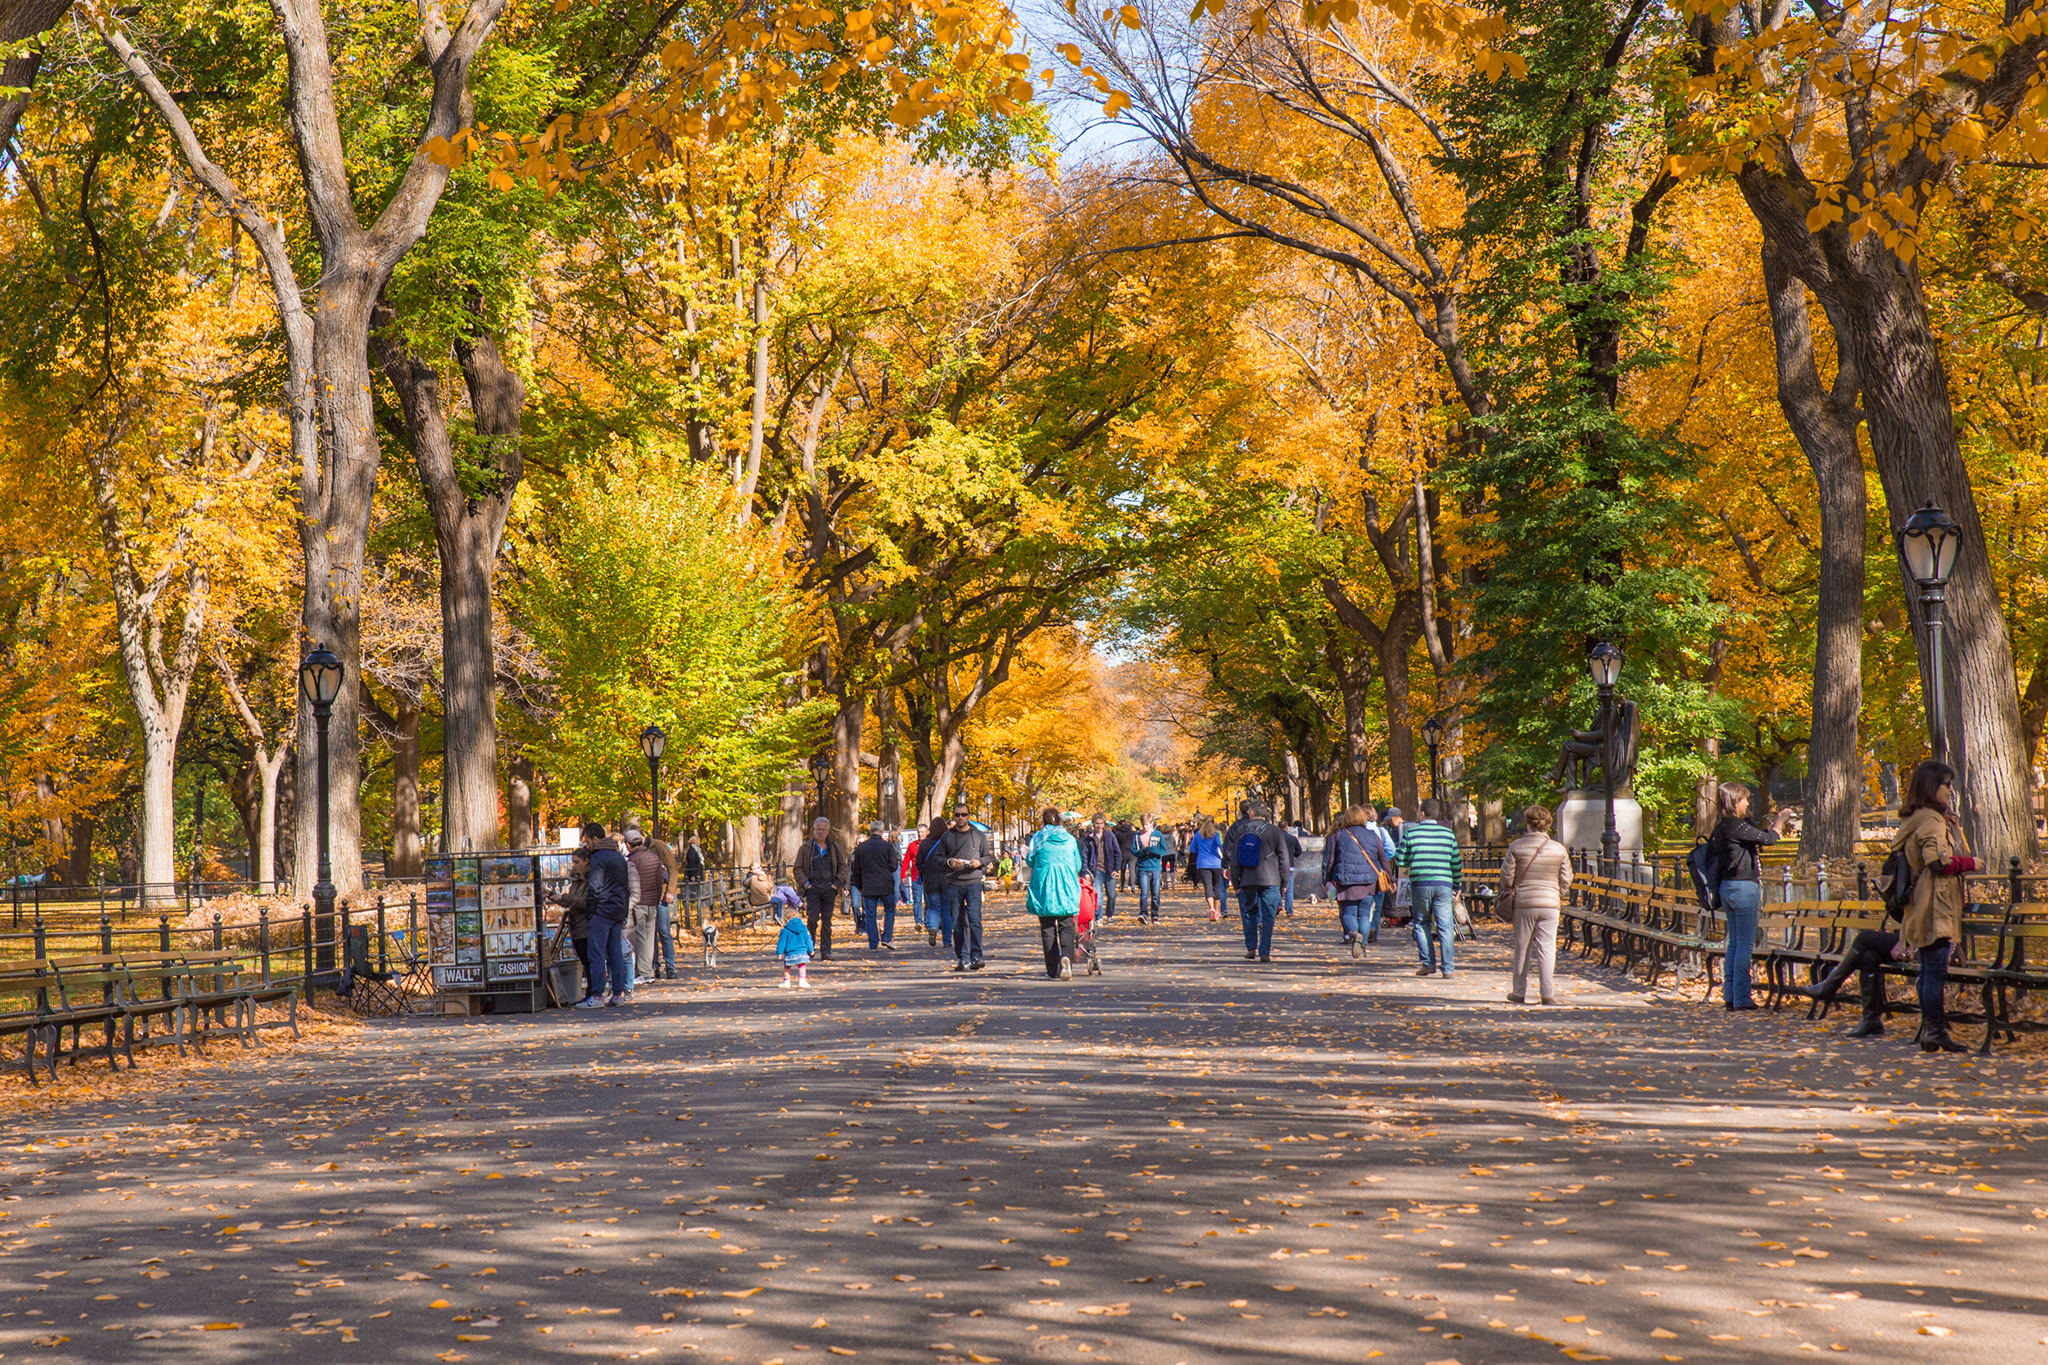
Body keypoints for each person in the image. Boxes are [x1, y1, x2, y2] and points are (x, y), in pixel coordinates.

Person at [1799, 761, 1974, 1051]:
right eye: (1947, 784)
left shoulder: (1914, 819)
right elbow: (1938, 862)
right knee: (1933, 972)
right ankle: (1933, 1031)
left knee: (1875, 954)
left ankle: (1855, 1006)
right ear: (1933, 787)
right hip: (1935, 907)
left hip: (1919, 908)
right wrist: (1971, 863)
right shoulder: (1931, 821)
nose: (1950, 790)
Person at [1709, 782, 1795, 1011]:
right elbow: (1769, 839)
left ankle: (1731, 996)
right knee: (1744, 944)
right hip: (1743, 888)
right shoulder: (1735, 826)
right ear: (1734, 802)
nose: (1748, 803)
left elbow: (1756, 836)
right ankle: (1742, 999)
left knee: (1735, 944)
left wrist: (1769, 823)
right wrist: (1780, 821)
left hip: (1727, 888)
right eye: (1744, 799)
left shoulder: (1722, 827)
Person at [1499, 804, 1572, 1005]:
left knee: (1522, 948)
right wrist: (1556, 894)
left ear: (1527, 823)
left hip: (1524, 903)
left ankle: (1519, 992)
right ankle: (1547, 994)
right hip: (1550, 904)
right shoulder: (1559, 849)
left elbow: (1506, 877)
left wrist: (1510, 889)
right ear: (1548, 824)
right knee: (1547, 948)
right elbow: (1566, 879)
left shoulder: (1516, 846)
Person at [1397, 799, 1463, 979]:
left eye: (1419, 811)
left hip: (1421, 883)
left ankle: (1428, 964)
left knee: (1421, 922)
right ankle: (1448, 968)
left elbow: (1400, 861)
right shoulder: (1448, 834)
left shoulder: (1411, 833)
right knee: (1445, 926)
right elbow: (1456, 863)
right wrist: (1457, 885)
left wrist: (1414, 861)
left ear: (1423, 814)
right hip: (1444, 884)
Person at [1224, 799, 1292, 962]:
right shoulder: (1275, 831)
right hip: (1270, 879)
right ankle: (1265, 951)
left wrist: (1236, 883)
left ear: (1251, 813)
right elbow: (1284, 858)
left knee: (1248, 912)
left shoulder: (1242, 830)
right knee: (1268, 915)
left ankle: (1251, 947)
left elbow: (1235, 858)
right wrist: (1285, 883)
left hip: (1247, 879)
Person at [1323, 806, 1391, 960]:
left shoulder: (1339, 836)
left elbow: (1331, 862)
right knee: (1364, 915)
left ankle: (1353, 934)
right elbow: (1383, 859)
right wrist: (1391, 879)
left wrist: (1327, 880)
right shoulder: (1373, 835)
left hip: (1346, 881)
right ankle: (1363, 943)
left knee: (1348, 912)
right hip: (1368, 881)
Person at [932, 802, 994, 969]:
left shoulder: (978, 835)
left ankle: (976, 956)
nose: (960, 818)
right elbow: (937, 859)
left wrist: (979, 862)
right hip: (953, 884)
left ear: (969, 816)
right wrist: (949, 862)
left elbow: (988, 857)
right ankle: (963, 957)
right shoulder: (947, 837)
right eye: (957, 815)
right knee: (958, 923)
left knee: (975, 920)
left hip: (973, 883)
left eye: (963, 815)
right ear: (953, 816)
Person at [580, 821, 634, 1007]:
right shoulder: (619, 857)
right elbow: (625, 886)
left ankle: (596, 995)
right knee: (615, 952)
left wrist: (590, 910)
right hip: (617, 909)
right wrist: (624, 910)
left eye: (587, 841)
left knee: (596, 953)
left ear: (595, 839)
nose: (586, 846)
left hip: (601, 910)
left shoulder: (598, 858)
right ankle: (618, 993)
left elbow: (595, 886)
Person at [1025, 806, 1083, 979]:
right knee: (1066, 926)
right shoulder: (1070, 839)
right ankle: (1066, 958)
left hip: (1045, 887)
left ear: (1043, 821)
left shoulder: (1038, 838)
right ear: (1059, 820)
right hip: (1066, 886)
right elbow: (1078, 865)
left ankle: (1053, 970)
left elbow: (1029, 861)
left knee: (1048, 928)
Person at [793, 817, 845, 963]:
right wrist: (806, 884)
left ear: (827, 831)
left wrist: (836, 885)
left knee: (827, 921)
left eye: (823, 830)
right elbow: (797, 869)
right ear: (814, 830)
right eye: (818, 829)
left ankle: (826, 951)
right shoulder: (806, 848)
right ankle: (809, 948)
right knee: (813, 919)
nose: (821, 832)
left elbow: (843, 868)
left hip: (829, 888)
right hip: (813, 889)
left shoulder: (834, 848)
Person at [547, 847, 594, 1002]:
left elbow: (585, 902)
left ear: (587, 861)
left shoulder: (588, 880)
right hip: (577, 925)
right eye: (573, 862)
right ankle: (590, 992)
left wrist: (565, 898)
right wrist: (558, 898)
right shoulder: (577, 880)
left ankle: (592, 993)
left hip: (585, 925)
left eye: (577, 862)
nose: (574, 865)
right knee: (584, 961)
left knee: (589, 961)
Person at [625, 828, 670, 985]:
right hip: (652, 902)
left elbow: (630, 884)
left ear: (628, 844)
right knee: (649, 938)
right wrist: (656, 899)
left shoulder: (632, 860)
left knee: (640, 939)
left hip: (639, 903)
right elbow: (660, 881)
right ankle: (647, 970)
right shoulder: (653, 857)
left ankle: (644, 972)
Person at [851, 820, 900, 951]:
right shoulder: (888, 847)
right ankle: (887, 937)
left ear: (871, 831)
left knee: (870, 915)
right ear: (882, 831)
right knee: (889, 910)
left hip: (868, 885)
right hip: (885, 884)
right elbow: (894, 866)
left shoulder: (861, 848)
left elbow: (856, 870)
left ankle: (873, 943)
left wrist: (860, 886)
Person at [1079, 814, 1125, 923]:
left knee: (1112, 895)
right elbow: (1084, 856)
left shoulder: (1110, 836)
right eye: (1097, 823)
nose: (1099, 826)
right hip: (1095, 870)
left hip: (1109, 869)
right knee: (1098, 895)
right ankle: (1098, 917)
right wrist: (1085, 871)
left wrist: (1116, 868)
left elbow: (1117, 853)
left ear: (1104, 824)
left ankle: (1109, 915)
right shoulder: (1088, 838)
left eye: (1101, 823)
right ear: (1093, 824)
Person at [918, 819, 955, 952]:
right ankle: (947, 940)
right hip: (946, 879)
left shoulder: (925, 844)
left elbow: (918, 863)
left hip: (930, 880)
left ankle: (932, 927)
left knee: (934, 908)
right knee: (946, 910)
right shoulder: (949, 842)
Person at [1131, 816, 1171, 924]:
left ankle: (1155, 915)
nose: (1145, 827)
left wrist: (1152, 850)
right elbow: (1134, 851)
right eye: (1143, 824)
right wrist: (1143, 852)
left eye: (1147, 824)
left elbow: (1163, 851)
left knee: (1155, 894)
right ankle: (1143, 914)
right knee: (1144, 892)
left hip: (1155, 868)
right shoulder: (1137, 835)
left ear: (1151, 823)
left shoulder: (1158, 835)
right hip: (1143, 867)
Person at [1189, 817, 1224, 921]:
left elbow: (1192, 848)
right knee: (1217, 886)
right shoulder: (1217, 834)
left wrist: (1200, 849)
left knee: (1208, 886)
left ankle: (1211, 908)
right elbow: (1220, 845)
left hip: (1202, 863)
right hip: (1216, 863)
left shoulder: (1198, 834)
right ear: (1214, 823)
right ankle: (1217, 911)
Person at [776, 901, 815, 989]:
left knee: (787, 967)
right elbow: (808, 940)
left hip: (790, 952)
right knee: (801, 965)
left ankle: (786, 981)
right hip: (802, 951)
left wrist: (779, 953)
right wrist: (811, 950)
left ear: (786, 920)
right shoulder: (804, 928)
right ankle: (802, 980)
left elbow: (781, 942)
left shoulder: (785, 930)